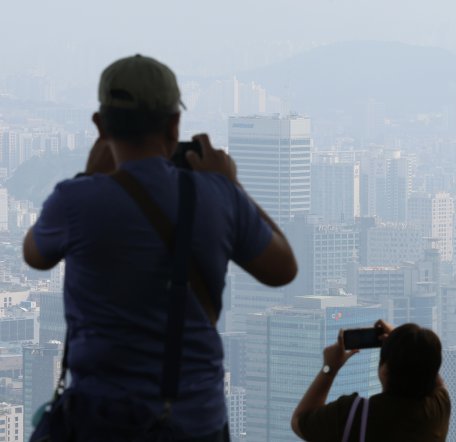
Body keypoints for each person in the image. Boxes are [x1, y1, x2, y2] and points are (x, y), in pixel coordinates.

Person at [23, 54, 297, 440]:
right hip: (193, 422)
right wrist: (230, 185)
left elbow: (34, 255)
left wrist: (90, 174)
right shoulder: (217, 196)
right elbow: (282, 268)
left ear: (100, 125)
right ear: (174, 124)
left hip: (99, 422)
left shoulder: (75, 201)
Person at [291, 320, 450, 441]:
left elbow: (299, 421)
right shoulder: (438, 408)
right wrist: (407, 345)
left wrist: (329, 368)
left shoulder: (354, 414)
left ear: (384, 371)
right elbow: (432, 374)